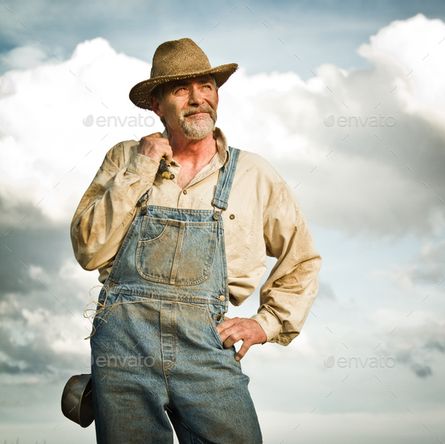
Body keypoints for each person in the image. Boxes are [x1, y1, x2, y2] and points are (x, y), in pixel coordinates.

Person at [70, 37, 322, 444]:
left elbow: (303, 257)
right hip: (124, 353)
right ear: (156, 104)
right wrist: (142, 165)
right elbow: (88, 249)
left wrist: (267, 323)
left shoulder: (253, 174)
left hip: (207, 350)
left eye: (206, 86)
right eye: (180, 89)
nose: (197, 98)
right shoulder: (125, 158)